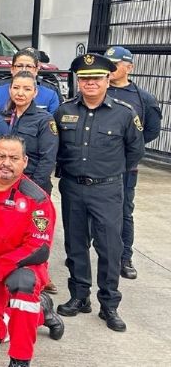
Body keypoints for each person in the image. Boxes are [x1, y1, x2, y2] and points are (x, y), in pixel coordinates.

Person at [54, 53, 144, 332]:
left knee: (109, 247)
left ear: (108, 80)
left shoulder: (125, 113)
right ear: (78, 82)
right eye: (84, 79)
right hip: (72, 187)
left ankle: (109, 304)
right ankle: (80, 297)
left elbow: (134, 153)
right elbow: (57, 149)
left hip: (107, 189)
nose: (90, 83)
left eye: (96, 78)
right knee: (76, 244)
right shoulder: (63, 111)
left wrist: (109, 174)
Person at [0, 136, 65, 367]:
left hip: (19, 267)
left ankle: (20, 358)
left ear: (25, 162)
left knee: (24, 283)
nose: (6, 163)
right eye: (1, 156)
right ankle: (41, 312)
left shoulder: (36, 198)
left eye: (14, 158)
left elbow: (39, 249)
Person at [104, 46, 163, 280]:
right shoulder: (98, 89)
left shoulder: (143, 98)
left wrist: (126, 148)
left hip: (125, 166)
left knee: (124, 211)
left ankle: (124, 257)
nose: (111, 69)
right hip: (96, 163)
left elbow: (151, 130)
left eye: (116, 64)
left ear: (129, 67)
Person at [4, 72, 59, 194]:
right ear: (10, 89)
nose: (20, 93)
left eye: (27, 89)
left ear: (35, 92)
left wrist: (32, 187)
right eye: (16, 88)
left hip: (33, 184)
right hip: (5, 181)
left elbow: (48, 158)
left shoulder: (44, 119)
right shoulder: (3, 116)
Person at [0, 49, 60, 114]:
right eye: (19, 66)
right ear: (12, 69)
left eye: (29, 66)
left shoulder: (50, 95)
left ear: (36, 70)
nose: (24, 69)